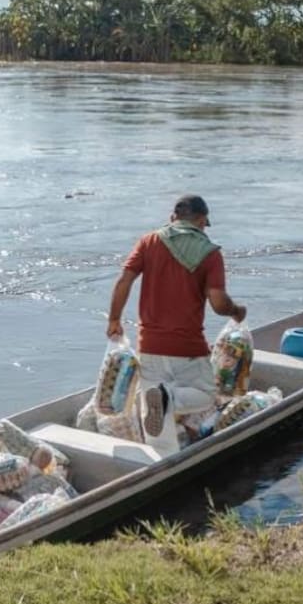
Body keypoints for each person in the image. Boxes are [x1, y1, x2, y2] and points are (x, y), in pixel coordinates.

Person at [106, 194, 246, 457]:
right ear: (202, 221)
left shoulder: (149, 241)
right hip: (188, 347)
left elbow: (124, 280)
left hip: (149, 344)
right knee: (205, 395)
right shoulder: (210, 252)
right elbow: (218, 303)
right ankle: (169, 397)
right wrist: (236, 311)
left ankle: (162, 463)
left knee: (156, 421)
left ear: (173, 218)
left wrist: (114, 319)